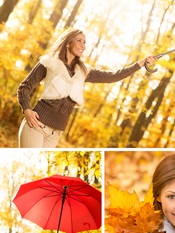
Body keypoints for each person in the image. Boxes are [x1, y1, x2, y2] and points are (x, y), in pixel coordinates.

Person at [17, 28, 156, 148]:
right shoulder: (49, 62)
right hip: (36, 126)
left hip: (56, 132)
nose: (83, 45)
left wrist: (140, 63)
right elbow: (25, 87)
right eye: (79, 40)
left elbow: (113, 76)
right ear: (67, 43)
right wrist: (27, 110)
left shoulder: (83, 71)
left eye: (84, 42)